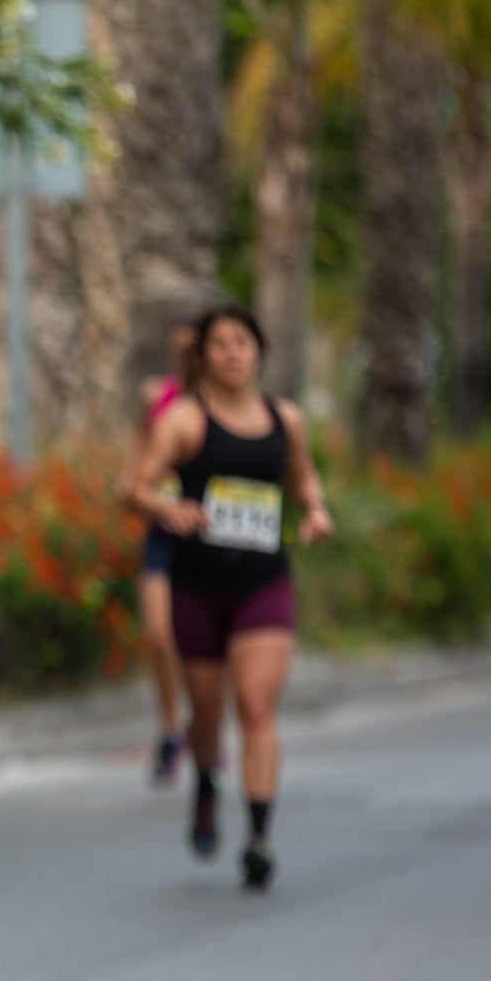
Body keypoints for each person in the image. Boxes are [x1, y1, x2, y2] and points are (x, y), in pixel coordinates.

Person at [126, 303, 333, 892]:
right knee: (209, 719)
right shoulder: (185, 422)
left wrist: (316, 510)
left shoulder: (285, 420)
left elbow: (304, 477)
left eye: (243, 342)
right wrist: (169, 507)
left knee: (257, 707)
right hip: (198, 586)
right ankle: (206, 783)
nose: (233, 353)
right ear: (204, 356)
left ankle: (260, 837)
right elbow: (136, 487)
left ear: (260, 351)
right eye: (220, 344)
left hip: (263, 585)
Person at [125, 318, 197, 787]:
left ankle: (205, 731)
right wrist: (138, 492)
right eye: (179, 350)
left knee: (206, 646)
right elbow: (135, 467)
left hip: (214, 541)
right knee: (158, 634)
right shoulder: (158, 399)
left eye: (195, 349)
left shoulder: (231, 410)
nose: (186, 358)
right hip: (163, 532)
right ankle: (171, 729)